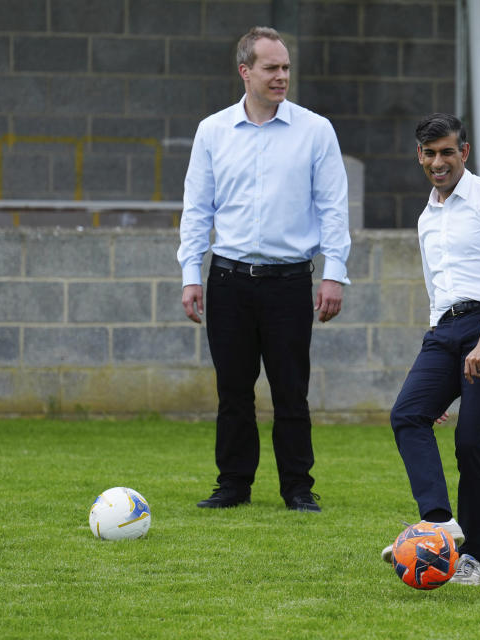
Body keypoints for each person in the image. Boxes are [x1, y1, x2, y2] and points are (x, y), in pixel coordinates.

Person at [177, 26, 351, 513]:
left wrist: (334, 272)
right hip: (228, 280)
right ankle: (233, 485)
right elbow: (197, 209)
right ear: (245, 71)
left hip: (290, 281)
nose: (282, 76)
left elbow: (334, 208)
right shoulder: (212, 131)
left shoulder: (315, 131)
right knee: (232, 391)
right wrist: (192, 273)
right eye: (271, 68)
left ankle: (298, 488)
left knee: (291, 391)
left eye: (286, 67)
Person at [380, 113, 480, 585]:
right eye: (429, 153)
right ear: (419, 156)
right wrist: (436, 374)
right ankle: (440, 525)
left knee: (471, 444)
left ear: (464, 152)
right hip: (444, 330)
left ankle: (474, 559)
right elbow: (435, 287)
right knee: (408, 414)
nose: (438, 161)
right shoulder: (428, 216)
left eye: (447, 152)